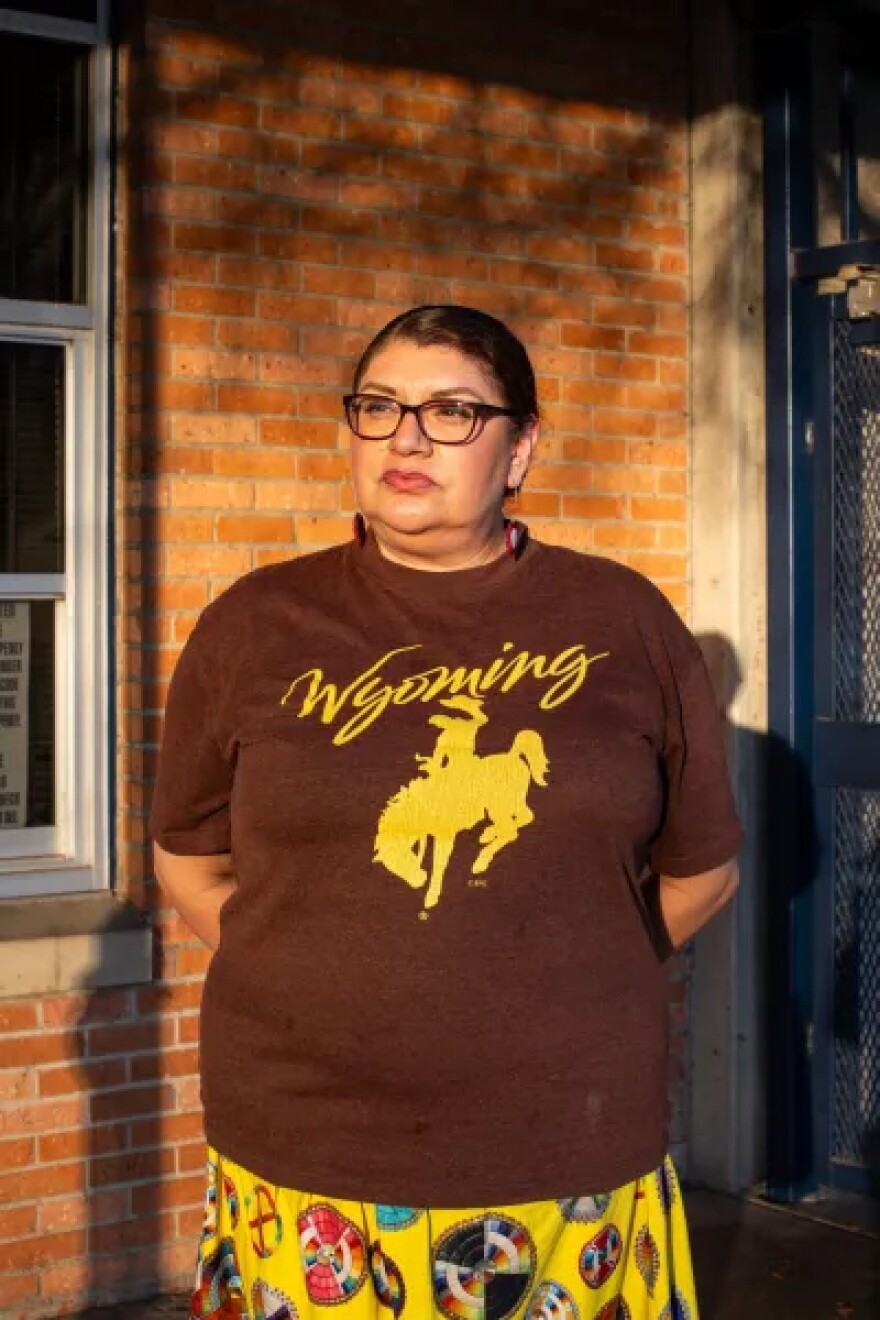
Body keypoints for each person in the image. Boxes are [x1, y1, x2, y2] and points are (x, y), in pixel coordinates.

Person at [151, 304, 743, 1320]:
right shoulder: (253, 625)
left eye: (452, 411)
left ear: (520, 450)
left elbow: (703, 869)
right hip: (305, 1151)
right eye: (378, 407)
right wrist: (305, 970)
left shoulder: (622, 622)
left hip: (567, 1151)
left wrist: (571, 977)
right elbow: (188, 859)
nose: (406, 436)